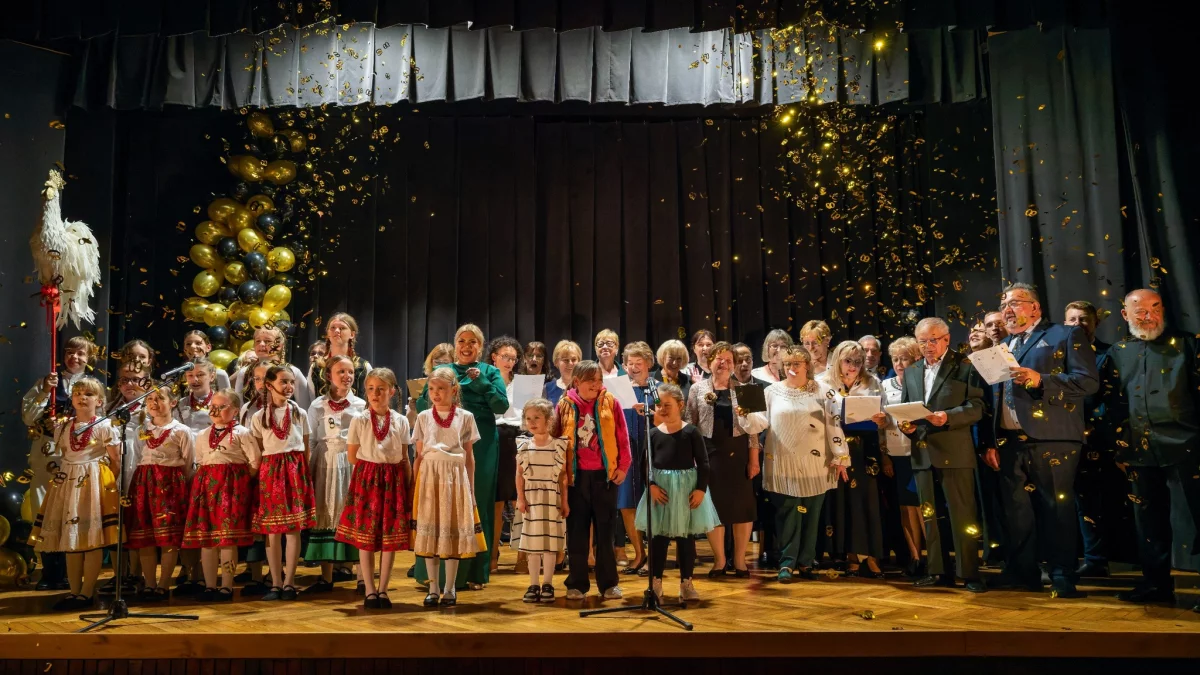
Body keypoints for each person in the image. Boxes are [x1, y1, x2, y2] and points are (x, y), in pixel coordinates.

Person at [985, 282, 1097, 598]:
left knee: (1056, 509)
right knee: (1016, 511)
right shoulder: (1004, 344)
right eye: (1003, 304)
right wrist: (992, 440)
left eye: (1015, 303)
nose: (1007, 309)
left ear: (1035, 307)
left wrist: (1041, 380)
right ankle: (1023, 572)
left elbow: (1088, 382)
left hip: (1053, 437)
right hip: (1009, 439)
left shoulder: (1065, 334)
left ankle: (1062, 576)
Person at [1103, 289, 1200, 611]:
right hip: (1139, 450)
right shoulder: (1118, 352)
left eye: (1155, 308)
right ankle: (1156, 585)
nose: (1149, 316)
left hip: (1188, 446)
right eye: (1140, 311)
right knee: (1148, 522)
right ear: (1125, 315)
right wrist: (1119, 449)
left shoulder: (1187, 345)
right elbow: (1112, 403)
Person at [414, 324, 508, 590]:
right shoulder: (444, 370)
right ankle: (434, 575)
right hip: (443, 438)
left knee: (477, 500)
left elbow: (501, 405)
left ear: (481, 346)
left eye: (472, 342)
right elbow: (422, 403)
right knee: (437, 503)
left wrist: (482, 383)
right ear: (455, 345)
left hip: (481, 443)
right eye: (462, 341)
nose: (467, 346)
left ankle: (475, 572)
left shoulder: (489, 372)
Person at [896, 318, 986, 593]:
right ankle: (937, 571)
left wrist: (948, 416)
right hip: (922, 452)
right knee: (930, 515)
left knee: (962, 515)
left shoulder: (965, 365)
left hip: (955, 451)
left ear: (946, 339)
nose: (928, 346)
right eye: (922, 341)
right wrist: (906, 426)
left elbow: (978, 406)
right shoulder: (912, 371)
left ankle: (969, 573)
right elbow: (906, 408)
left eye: (933, 340)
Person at [751, 346, 846, 582]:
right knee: (787, 514)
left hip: (816, 463)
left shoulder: (823, 390)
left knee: (812, 516)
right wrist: (745, 413)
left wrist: (841, 456)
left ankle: (806, 562)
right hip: (783, 463)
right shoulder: (771, 391)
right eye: (787, 364)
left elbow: (835, 424)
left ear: (806, 366)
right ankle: (787, 563)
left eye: (796, 364)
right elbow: (759, 423)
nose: (791, 368)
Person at [30, 377, 121, 611]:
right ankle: (74, 591)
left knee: (91, 539)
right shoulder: (63, 427)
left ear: (99, 401)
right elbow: (64, 454)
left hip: (93, 481)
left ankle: (87, 592)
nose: (82, 398)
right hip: (68, 481)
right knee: (72, 539)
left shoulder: (104, 426)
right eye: (78, 393)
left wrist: (103, 485)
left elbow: (115, 461)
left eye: (88, 394)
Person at [22, 335, 97, 591]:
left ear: (89, 358)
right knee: (43, 510)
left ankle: (69, 571)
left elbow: (99, 420)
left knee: (70, 511)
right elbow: (28, 417)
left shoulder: (95, 387)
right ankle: (49, 571)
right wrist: (45, 391)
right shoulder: (48, 382)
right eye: (70, 352)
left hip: (76, 456)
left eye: (81, 353)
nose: (74, 357)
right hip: (47, 454)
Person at [686, 342, 766, 578]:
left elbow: (754, 431)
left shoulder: (746, 389)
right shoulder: (697, 389)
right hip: (709, 454)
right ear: (709, 362)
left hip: (739, 453)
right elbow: (690, 424)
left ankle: (740, 560)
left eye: (728, 360)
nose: (723, 363)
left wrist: (754, 460)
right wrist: (692, 458)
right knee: (714, 507)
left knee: (742, 507)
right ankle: (719, 560)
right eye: (718, 359)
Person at [554, 360, 633, 600]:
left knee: (606, 532)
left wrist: (623, 466)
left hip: (604, 476)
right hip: (576, 479)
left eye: (599, 380)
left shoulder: (611, 402)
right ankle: (577, 583)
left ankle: (608, 583)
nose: (596, 385)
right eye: (591, 381)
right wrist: (560, 475)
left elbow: (623, 436)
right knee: (577, 532)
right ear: (577, 382)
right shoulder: (564, 405)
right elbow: (556, 439)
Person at [636, 383, 719, 601]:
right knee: (658, 538)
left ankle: (686, 583)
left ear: (680, 405)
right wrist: (651, 486)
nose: (662, 409)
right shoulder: (652, 434)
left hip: (685, 490)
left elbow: (704, 463)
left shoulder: (691, 432)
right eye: (659, 405)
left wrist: (700, 489)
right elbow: (644, 464)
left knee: (686, 538)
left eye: (668, 405)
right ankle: (656, 583)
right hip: (660, 491)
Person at [338, 368, 413, 610]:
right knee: (366, 537)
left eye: (380, 389)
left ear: (392, 391)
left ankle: (383, 589)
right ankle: (369, 589)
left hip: (393, 481)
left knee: (389, 537)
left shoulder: (400, 421)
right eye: (370, 389)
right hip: (367, 479)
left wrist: (408, 486)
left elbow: (404, 457)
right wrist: (371, 471)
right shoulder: (359, 420)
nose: (375, 394)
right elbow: (352, 456)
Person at [412, 368, 486, 607]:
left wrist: (471, 489)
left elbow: (469, 457)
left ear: (454, 390)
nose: (436, 393)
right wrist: (415, 486)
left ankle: (450, 588)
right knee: (432, 534)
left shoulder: (465, 417)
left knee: (451, 532)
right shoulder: (424, 417)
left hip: (455, 477)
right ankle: (433, 588)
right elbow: (419, 456)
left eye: (441, 389)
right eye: (432, 389)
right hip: (429, 477)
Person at [182, 389, 258, 602]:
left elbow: (254, 461)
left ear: (235, 410)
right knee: (207, 539)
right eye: (212, 406)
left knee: (227, 539)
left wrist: (239, 483)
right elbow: (200, 461)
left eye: (221, 406)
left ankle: (226, 585)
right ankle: (210, 585)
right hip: (206, 490)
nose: (215, 411)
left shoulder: (242, 433)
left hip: (231, 490)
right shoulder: (202, 435)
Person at [249, 364, 315, 601]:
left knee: (293, 529)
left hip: (294, 471)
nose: (288, 386)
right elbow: (258, 449)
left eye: (291, 382)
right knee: (273, 531)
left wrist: (302, 474)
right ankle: (276, 581)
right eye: (283, 382)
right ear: (269, 385)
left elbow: (305, 448)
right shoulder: (258, 417)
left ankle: (289, 582)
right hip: (271, 472)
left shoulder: (299, 413)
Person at [822, 340, 885, 577]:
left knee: (866, 500)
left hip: (864, 449)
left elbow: (886, 415)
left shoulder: (872, 382)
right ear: (838, 360)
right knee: (842, 501)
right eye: (848, 361)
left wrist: (882, 418)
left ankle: (870, 555)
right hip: (835, 449)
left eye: (858, 362)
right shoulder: (824, 383)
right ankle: (849, 555)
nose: (853, 366)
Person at [303, 354, 366, 593]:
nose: (347, 376)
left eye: (350, 372)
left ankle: (361, 576)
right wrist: (308, 469)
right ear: (329, 375)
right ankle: (326, 576)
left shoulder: (360, 405)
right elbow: (311, 439)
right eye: (341, 371)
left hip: (350, 461)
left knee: (351, 512)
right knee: (326, 510)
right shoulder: (318, 405)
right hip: (325, 462)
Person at [126, 385, 195, 602]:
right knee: (145, 537)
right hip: (144, 484)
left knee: (168, 537)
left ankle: (163, 584)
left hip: (170, 485)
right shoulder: (142, 430)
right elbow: (138, 456)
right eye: (150, 399)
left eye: (160, 399)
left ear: (173, 402)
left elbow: (188, 462)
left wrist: (177, 484)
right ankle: (149, 583)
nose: (154, 403)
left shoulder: (181, 431)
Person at [1063, 299, 1115, 578]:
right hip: (1059, 436)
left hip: (1094, 439)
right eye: (1072, 319)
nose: (1077, 324)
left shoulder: (1109, 354)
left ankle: (1096, 560)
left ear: (1096, 322)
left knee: (1091, 501)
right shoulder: (1056, 354)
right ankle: (1064, 559)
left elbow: (1112, 396)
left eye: (1083, 319)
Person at [515, 398, 569, 603]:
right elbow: (519, 475)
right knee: (533, 545)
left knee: (549, 544)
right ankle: (533, 583)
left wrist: (565, 502)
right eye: (528, 418)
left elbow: (563, 477)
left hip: (552, 499)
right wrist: (521, 498)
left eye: (537, 418)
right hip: (532, 501)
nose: (532, 422)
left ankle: (547, 583)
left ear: (549, 420)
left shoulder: (558, 445)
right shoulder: (524, 445)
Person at [878, 337, 924, 577]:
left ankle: (932, 558)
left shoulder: (924, 381)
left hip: (921, 452)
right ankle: (914, 557)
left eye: (904, 358)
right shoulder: (885, 386)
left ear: (916, 359)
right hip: (897, 454)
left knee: (922, 507)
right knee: (905, 507)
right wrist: (885, 456)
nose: (898, 364)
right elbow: (881, 426)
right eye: (895, 359)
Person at [617, 341, 657, 575]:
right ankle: (639, 553)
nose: (633, 367)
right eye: (629, 363)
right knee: (626, 503)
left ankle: (655, 555)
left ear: (648, 363)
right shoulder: (619, 389)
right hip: (627, 451)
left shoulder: (657, 388)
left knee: (652, 503)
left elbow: (668, 415)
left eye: (638, 363)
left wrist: (650, 411)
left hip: (652, 451)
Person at [486, 335, 524, 574]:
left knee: (521, 500)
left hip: (519, 437)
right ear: (494, 357)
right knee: (497, 501)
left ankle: (523, 557)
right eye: (505, 357)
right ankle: (492, 555)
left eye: (513, 358)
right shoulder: (488, 381)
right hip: (496, 437)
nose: (509, 362)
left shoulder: (522, 383)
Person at [232, 327, 312, 408]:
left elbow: (304, 406)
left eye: (267, 341)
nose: (261, 344)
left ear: (279, 346)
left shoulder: (293, 372)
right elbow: (238, 406)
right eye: (258, 341)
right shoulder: (244, 372)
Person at [308, 312, 373, 398]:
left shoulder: (363, 367)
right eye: (333, 328)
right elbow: (311, 399)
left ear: (352, 334)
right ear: (328, 333)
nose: (337, 331)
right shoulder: (316, 367)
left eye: (342, 328)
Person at [543, 340, 583, 406]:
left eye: (574, 360)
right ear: (556, 362)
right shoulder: (547, 388)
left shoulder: (585, 387)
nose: (570, 363)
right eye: (566, 360)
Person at [654, 339, 692, 405]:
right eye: (671, 358)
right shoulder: (650, 379)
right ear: (663, 357)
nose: (674, 363)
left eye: (679, 359)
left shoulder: (689, 381)